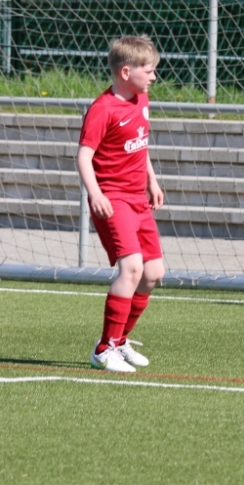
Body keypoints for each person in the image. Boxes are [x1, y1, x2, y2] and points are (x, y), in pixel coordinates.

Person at [77, 35, 165, 373]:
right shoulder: (103, 109)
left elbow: (140, 145)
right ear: (126, 72)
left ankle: (121, 340)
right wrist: (96, 193)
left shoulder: (141, 98)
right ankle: (104, 349)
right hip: (113, 199)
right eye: (149, 70)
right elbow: (84, 156)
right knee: (132, 268)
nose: (154, 76)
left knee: (153, 273)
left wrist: (151, 181)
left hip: (138, 198)